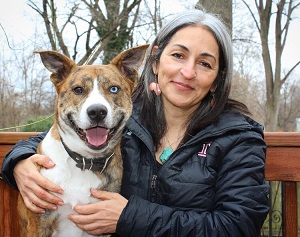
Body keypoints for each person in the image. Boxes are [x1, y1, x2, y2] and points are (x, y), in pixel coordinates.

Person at [2, 9, 269, 237]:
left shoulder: (238, 138)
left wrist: (131, 217)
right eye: (178, 55)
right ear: (155, 62)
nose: (188, 72)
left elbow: (239, 226)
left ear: (217, 79)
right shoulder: (125, 117)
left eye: (205, 63)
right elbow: (60, 137)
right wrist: (19, 162)